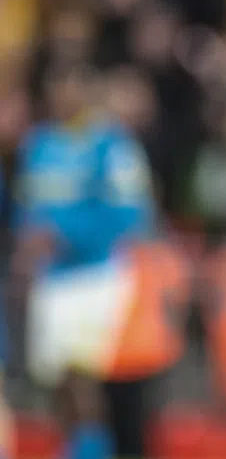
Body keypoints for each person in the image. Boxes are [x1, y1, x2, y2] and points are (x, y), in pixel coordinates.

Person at [13, 60, 156, 459]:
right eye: (57, 82)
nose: (65, 92)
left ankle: (97, 451)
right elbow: (28, 207)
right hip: (51, 279)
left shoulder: (111, 144)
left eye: (74, 83)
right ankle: (77, 448)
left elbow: (131, 213)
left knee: (85, 378)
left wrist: (69, 237)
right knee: (58, 379)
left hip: (97, 276)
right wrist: (28, 244)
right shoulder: (38, 144)